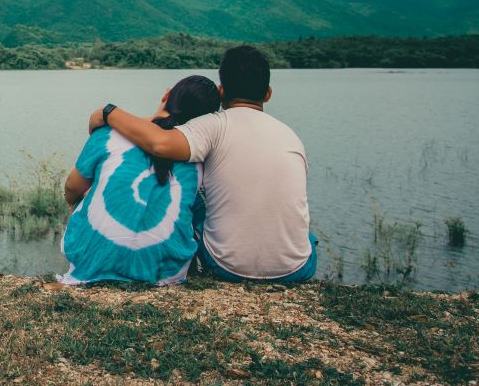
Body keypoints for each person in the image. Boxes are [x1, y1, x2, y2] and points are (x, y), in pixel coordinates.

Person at [88, 45, 317, 283]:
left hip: (225, 267)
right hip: (296, 269)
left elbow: (159, 143)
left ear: (221, 90)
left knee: (192, 193)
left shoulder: (213, 125)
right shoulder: (291, 136)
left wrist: (108, 112)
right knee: (308, 237)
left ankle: (182, 260)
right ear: (268, 93)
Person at [60, 75, 221, 285]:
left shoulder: (106, 134)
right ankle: (185, 265)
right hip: (167, 273)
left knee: (85, 194)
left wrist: (77, 200)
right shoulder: (196, 155)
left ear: (166, 95)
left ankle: (91, 260)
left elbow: (72, 188)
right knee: (193, 200)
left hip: (94, 263)